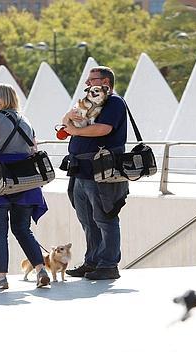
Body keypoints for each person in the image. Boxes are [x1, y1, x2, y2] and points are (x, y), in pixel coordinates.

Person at [0, 83, 50, 289]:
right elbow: (34, 149)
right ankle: (41, 270)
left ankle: (1, 278)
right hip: (26, 180)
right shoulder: (26, 120)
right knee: (23, 228)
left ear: (2, 98)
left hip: (1, 178)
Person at [61, 66, 129, 280]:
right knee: (87, 220)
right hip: (81, 171)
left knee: (105, 218)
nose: (87, 84)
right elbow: (66, 123)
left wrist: (74, 130)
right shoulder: (89, 103)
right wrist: (69, 120)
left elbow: (104, 129)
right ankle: (92, 261)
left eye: (92, 80)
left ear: (106, 82)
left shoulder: (114, 102)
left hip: (100, 171)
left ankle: (108, 264)